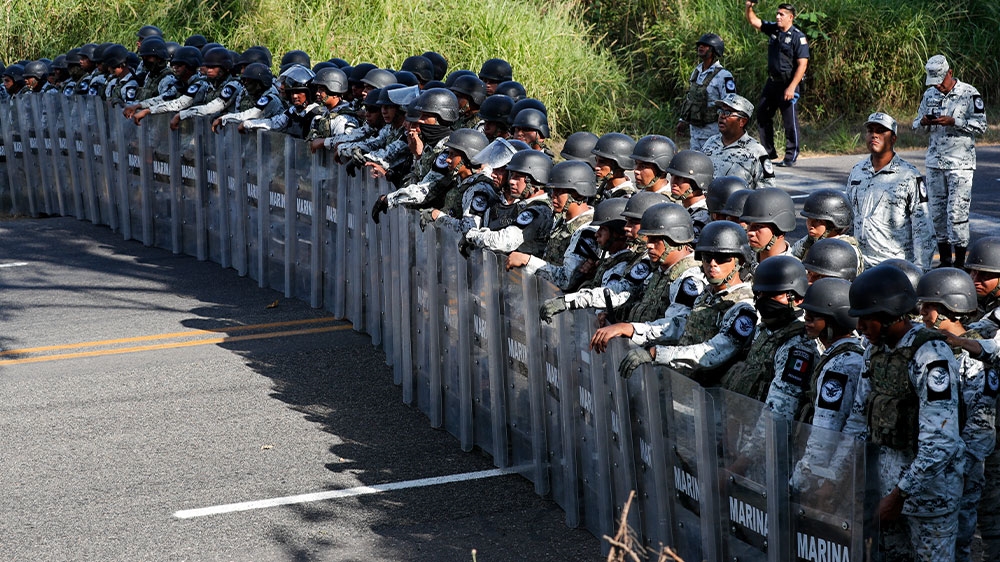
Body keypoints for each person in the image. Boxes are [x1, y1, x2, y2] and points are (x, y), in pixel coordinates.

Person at [834, 265, 965, 561]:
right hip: (887, 493)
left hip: (930, 499)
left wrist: (898, 496)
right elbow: (858, 418)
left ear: (888, 315)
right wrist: (838, 473)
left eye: (866, 318)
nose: (860, 327)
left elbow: (940, 441)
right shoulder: (875, 351)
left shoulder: (931, 356)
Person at [916, 268, 996, 562]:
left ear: (949, 308)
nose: (923, 312)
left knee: (959, 540)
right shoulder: (932, 347)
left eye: (929, 307)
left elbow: (981, 429)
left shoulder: (974, 359)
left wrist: (959, 465)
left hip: (963, 467)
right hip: (936, 463)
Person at [619, 220, 757, 384]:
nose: (713, 264)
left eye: (722, 258)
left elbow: (714, 352)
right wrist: (633, 329)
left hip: (712, 396)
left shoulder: (744, 306)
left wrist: (656, 353)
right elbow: (679, 325)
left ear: (739, 262)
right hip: (686, 386)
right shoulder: (707, 295)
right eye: (707, 258)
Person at [589, 202, 707, 351]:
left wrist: (628, 328)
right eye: (648, 239)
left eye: (655, 240)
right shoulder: (660, 269)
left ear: (676, 240)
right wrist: (617, 319)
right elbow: (645, 307)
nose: (649, 245)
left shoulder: (690, 278)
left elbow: (674, 326)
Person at [912, 55, 987, 268]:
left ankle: (960, 263)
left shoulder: (969, 93)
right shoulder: (930, 94)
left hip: (960, 164)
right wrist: (925, 122)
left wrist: (955, 121)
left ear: (950, 73)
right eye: (934, 81)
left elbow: (981, 126)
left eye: (941, 80)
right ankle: (944, 261)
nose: (938, 85)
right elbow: (916, 125)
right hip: (935, 163)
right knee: (936, 213)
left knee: (957, 213)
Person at [845, 112, 935, 270]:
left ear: (893, 138)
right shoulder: (857, 171)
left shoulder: (909, 175)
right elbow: (848, 217)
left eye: (880, 131)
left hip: (893, 266)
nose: (874, 135)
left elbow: (923, 229)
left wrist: (920, 272)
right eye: (870, 130)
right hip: (859, 264)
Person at [506, 160, 598, 290]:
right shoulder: (563, 221)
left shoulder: (587, 231)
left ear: (578, 194)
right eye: (553, 191)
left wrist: (528, 260)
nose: (553, 197)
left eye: (560, 191)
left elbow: (567, 279)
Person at [744, 1, 809, 167]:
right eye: (777, 14)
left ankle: (790, 156)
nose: (778, 17)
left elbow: (802, 64)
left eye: (782, 15)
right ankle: (769, 153)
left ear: (791, 17)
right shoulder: (774, 29)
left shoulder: (797, 37)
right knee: (762, 115)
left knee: (789, 121)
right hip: (772, 82)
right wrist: (749, 6)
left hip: (788, 83)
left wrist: (792, 87)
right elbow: (754, 21)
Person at [700, 93, 775, 189]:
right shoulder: (710, 142)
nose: (722, 116)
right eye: (720, 111)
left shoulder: (757, 151)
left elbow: (767, 191)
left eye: (727, 113)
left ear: (742, 122)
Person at [675, 33, 736, 151]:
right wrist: (683, 120)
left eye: (705, 46)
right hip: (695, 132)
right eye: (700, 45)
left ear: (714, 50)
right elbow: (690, 99)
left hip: (713, 132)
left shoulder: (724, 76)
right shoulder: (696, 72)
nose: (700, 47)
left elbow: (730, 102)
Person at [663, 150, 713, 242]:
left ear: (697, 182)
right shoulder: (686, 209)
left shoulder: (702, 216)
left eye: (680, 178)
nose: (673, 182)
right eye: (672, 176)